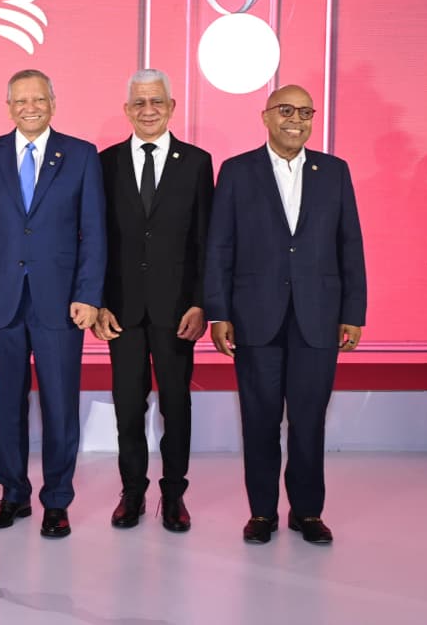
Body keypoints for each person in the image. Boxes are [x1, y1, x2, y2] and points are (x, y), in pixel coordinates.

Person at [204, 84, 366, 545]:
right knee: (259, 419)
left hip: (319, 315)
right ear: (266, 116)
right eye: (286, 110)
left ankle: (307, 512)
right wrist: (218, 312)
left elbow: (350, 243)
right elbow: (220, 246)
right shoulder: (237, 171)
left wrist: (353, 311)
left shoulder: (334, 171)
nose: (296, 120)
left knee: (309, 420)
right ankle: (262, 512)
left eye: (305, 112)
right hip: (254, 315)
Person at [0, 69, 106, 538]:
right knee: (7, 403)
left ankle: (57, 500)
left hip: (60, 303)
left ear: (53, 103)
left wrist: (88, 295)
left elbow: (94, 232)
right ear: (8, 106)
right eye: (21, 100)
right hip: (1, 299)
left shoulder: (81, 155)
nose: (30, 107)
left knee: (60, 404)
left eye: (39, 99)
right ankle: (13, 494)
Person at [93, 69, 213, 532]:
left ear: (171, 107)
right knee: (128, 405)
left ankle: (174, 493)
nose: (148, 110)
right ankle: (132, 492)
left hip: (177, 310)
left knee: (176, 405)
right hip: (121, 310)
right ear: (127, 110)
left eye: (157, 102)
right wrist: (99, 301)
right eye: (140, 103)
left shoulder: (197, 163)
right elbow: (96, 240)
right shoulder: (105, 163)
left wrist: (201, 302)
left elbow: (205, 240)